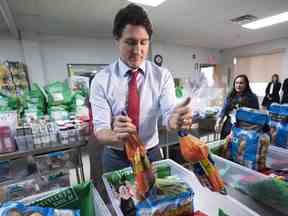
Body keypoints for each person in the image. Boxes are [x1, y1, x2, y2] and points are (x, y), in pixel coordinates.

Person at [89, 4, 192, 172]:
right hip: (117, 157)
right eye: (130, 42)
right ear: (117, 39)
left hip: (151, 153)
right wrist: (116, 135)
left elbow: (169, 115)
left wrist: (174, 121)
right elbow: (100, 131)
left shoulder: (162, 76)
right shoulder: (101, 80)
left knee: (156, 196)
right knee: (121, 198)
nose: (138, 50)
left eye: (143, 42)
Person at [215, 74, 259, 139]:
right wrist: (218, 122)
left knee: (238, 146)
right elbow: (224, 110)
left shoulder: (252, 97)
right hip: (229, 125)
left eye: (241, 83)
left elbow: (255, 114)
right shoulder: (230, 96)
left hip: (244, 127)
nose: (238, 85)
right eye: (236, 83)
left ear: (246, 84)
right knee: (226, 144)